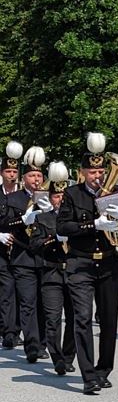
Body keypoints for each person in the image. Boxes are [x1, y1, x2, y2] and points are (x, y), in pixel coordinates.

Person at [57, 132, 118, 395]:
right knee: (82, 319)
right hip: (80, 264)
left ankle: (104, 369)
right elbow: (63, 226)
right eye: (92, 171)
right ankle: (88, 375)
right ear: (82, 172)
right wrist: (94, 224)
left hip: (108, 265)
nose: (98, 175)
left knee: (109, 320)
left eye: (101, 170)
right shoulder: (72, 195)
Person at [2, 145, 49, 364]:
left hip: (47, 257)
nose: (36, 179)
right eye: (32, 175)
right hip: (23, 256)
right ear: (25, 177)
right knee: (28, 302)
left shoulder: (48, 197)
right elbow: (5, 222)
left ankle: (43, 343)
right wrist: (23, 219)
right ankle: (32, 345)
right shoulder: (15, 199)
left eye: (39, 175)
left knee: (44, 304)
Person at [29, 162, 75, 375]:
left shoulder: (76, 218)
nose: (61, 200)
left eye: (64, 196)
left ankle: (68, 357)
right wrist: (52, 238)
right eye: (57, 197)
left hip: (74, 273)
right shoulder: (42, 217)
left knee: (75, 318)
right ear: (51, 198)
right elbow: (35, 245)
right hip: (51, 272)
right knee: (53, 318)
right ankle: (56, 356)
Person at [0, 143, 21, 350]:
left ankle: (15, 329)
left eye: (15, 171)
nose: (12, 175)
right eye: (8, 171)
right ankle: (9, 332)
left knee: (19, 290)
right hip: (1, 248)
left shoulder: (24, 195)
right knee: (6, 290)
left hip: (20, 248)